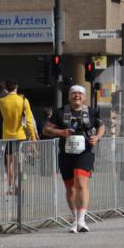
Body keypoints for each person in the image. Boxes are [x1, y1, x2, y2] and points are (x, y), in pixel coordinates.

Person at [43, 85, 105, 233]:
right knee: (70, 188)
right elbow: (46, 129)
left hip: (85, 153)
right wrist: (61, 132)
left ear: (84, 97)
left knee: (81, 183)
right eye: (74, 93)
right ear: (69, 96)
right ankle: (75, 219)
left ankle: (82, 220)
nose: (77, 96)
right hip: (66, 154)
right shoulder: (60, 112)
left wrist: (97, 137)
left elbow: (102, 126)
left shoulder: (91, 111)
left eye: (80, 94)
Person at [0, 80, 38, 195]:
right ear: (16, 87)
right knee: (18, 163)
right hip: (20, 136)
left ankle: (10, 187)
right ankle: (18, 186)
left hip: (7, 136)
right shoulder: (23, 101)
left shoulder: (2, 101)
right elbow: (29, 120)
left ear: (7, 87)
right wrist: (33, 136)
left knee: (9, 163)